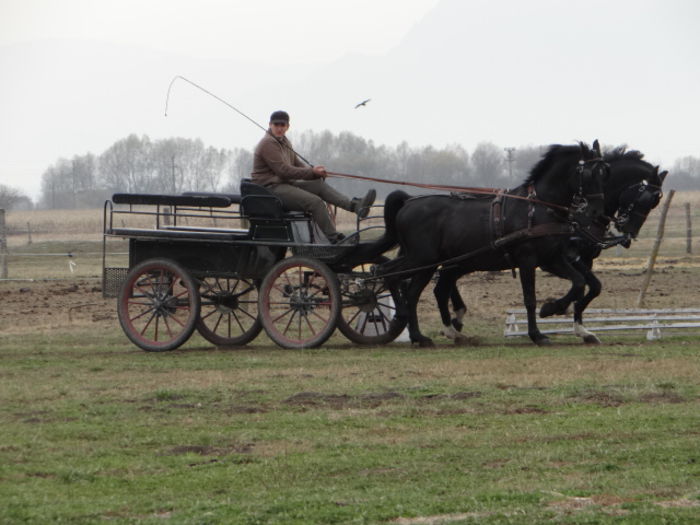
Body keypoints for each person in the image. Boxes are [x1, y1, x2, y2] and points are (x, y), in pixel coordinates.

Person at [250, 110, 376, 243]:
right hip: (269, 189)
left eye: (282, 125)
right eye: (276, 125)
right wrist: (312, 173)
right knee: (315, 202)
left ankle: (355, 206)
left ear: (288, 126)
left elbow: (297, 164)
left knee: (318, 185)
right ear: (270, 125)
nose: (279, 128)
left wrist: (316, 173)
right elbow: (283, 171)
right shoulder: (267, 144)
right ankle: (335, 239)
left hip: (284, 184)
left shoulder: (284, 142)